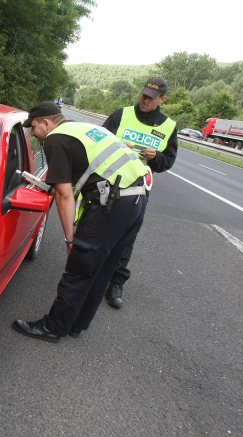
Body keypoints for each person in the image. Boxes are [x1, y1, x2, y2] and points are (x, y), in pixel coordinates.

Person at [12, 102, 148, 342]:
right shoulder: (84, 130)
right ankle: (76, 324)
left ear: (46, 122)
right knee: (103, 268)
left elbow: (64, 194)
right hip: (136, 200)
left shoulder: (56, 139)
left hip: (112, 203)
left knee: (80, 266)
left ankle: (53, 327)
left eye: (33, 127)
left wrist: (69, 238)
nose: (33, 134)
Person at [102, 77, 178, 309]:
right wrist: (116, 144)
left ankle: (116, 282)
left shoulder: (168, 126)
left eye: (151, 98)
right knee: (96, 228)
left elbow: (168, 162)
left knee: (127, 237)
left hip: (138, 189)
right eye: (143, 95)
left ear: (162, 99)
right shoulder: (120, 115)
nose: (144, 100)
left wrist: (156, 157)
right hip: (107, 182)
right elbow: (97, 141)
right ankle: (88, 272)